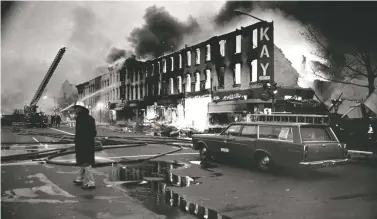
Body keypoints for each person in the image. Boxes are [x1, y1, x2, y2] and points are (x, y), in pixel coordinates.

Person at [72, 101, 97, 189]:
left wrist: (80, 141)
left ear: (81, 109)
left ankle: (91, 182)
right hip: (87, 142)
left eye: (77, 108)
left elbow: (83, 132)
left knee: (86, 163)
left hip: (84, 143)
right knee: (84, 162)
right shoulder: (88, 118)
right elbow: (94, 132)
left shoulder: (82, 118)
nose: (75, 110)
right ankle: (79, 179)